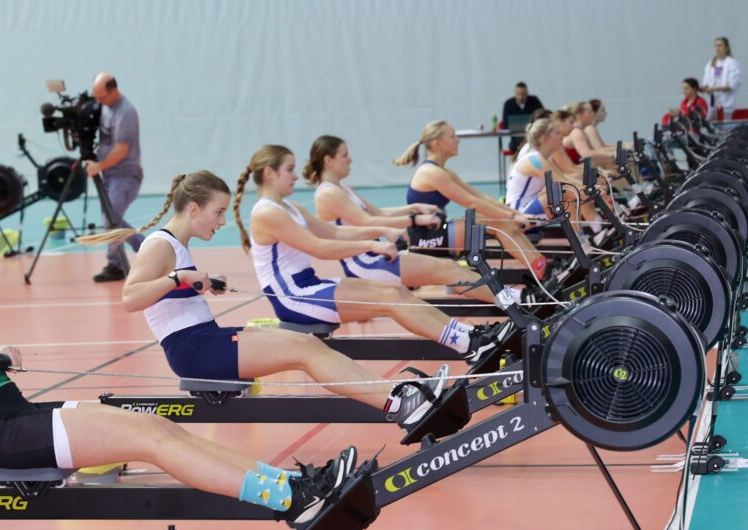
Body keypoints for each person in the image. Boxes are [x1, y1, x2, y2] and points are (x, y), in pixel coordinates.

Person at [0, 201, 361, 530]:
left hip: (8, 412)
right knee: (152, 441)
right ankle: (294, 502)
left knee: (155, 427)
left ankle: (294, 488)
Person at [80, 170, 458, 431]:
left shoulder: (175, 245)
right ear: (193, 209)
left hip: (205, 338)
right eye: (217, 212)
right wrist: (177, 278)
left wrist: (198, 283)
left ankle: (397, 398)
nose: (222, 221)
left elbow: (166, 291)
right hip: (193, 350)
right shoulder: (160, 245)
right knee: (305, 349)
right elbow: (130, 298)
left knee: (306, 345)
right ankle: (399, 404)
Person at [234, 144, 508, 362]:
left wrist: (381, 233)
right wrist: (373, 243)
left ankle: (469, 336)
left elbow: (335, 233)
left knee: (399, 293)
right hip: (293, 297)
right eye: (289, 169)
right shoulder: (267, 213)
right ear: (269, 173)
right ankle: (469, 343)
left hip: (308, 286)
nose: (295, 175)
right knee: (391, 298)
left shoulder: (290, 207)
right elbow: (319, 248)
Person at [306, 134, 532, 305]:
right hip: (365, 263)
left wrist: (414, 208)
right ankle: (516, 299)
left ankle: (515, 298)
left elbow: (379, 213)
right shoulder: (328, 193)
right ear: (328, 160)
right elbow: (367, 222)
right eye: (345, 155)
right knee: (449, 270)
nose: (350, 159)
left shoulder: (341, 188)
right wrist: (416, 220)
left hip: (376, 256)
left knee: (450, 270)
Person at [395, 120, 551, 279]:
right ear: (437, 144)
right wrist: (512, 217)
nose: (458, 140)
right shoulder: (431, 172)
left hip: (437, 232)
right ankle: (541, 269)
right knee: (496, 221)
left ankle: (541, 264)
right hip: (425, 239)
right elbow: (470, 202)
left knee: (500, 220)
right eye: (452, 136)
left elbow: (481, 196)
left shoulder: (445, 172)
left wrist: (515, 213)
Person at [85, 72, 144, 283]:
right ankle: (122, 260)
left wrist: (99, 165)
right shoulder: (106, 107)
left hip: (125, 175)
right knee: (111, 219)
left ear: (113, 90)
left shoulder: (125, 112)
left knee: (112, 219)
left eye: (101, 97)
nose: (98, 102)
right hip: (110, 174)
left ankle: (139, 251)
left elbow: (121, 149)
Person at [701, 37, 742, 119]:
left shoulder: (732, 63)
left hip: (726, 107)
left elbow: (731, 86)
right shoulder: (710, 64)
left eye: (720, 45)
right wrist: (701, 88)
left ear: (726, 47)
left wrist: (713, 89)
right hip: (712, 106)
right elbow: (706, 84)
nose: (717, 48)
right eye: (715, 46)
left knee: (725, 131)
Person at [502, 82, 544, 151]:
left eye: (523, 94)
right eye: (518, 94)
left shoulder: (534, 101)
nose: (521, 97)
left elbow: (543, 116)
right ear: (515, 93)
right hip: (516, 139)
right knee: (514, 146)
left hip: (534, 137)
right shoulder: (508, 104)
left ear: (527, 93)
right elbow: (505, 124)